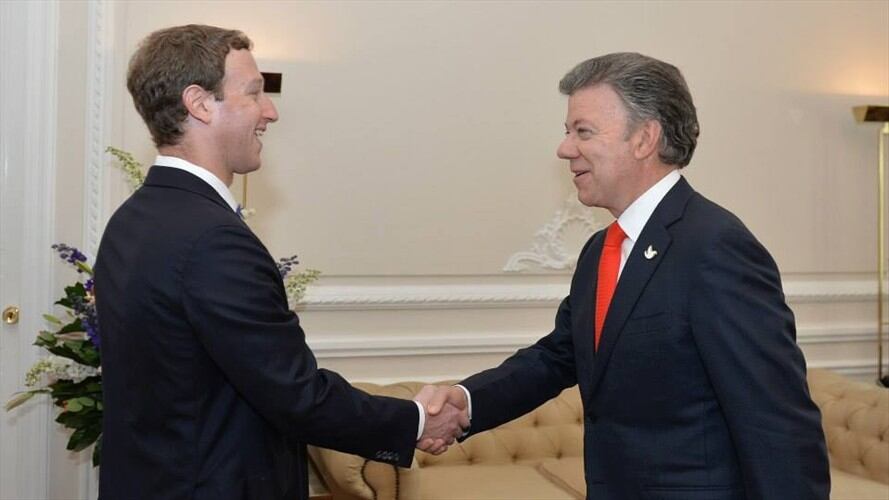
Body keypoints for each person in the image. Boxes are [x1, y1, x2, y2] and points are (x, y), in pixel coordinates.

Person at [418, 52, 830, 499]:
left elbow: (774, 422)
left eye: (583, 131)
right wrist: (466, 401)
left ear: (644, 138)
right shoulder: (603, 249)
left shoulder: (715, 247)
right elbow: (559, 356)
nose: (564, 148)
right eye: (567, 131)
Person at [94, 24, 465, 500]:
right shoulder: (212, 239)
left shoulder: (133, 219)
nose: (270, 111)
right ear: (200, 103)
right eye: (254, 93)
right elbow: (297, 396)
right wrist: (416, 420)